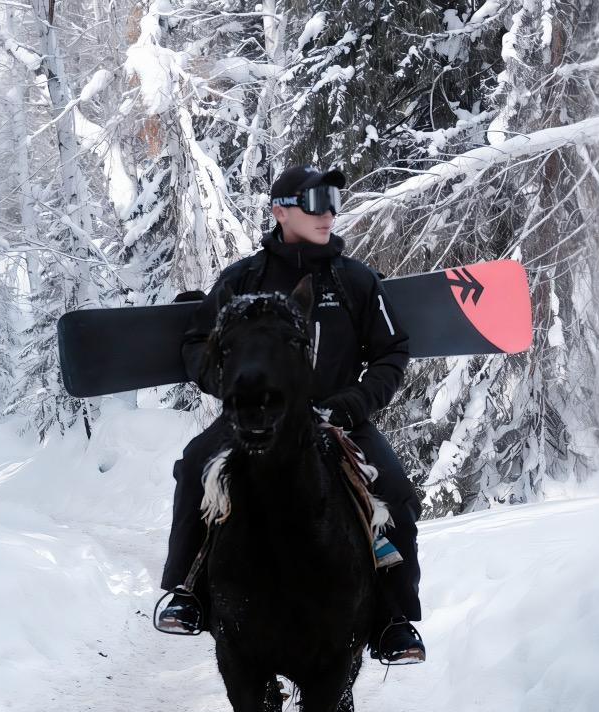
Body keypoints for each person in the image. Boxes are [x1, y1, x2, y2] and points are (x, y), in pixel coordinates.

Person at [156, 165, 425, 665]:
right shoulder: (244, 280)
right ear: (280, 212)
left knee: (395, 491)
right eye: (316, 203)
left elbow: (392, 351)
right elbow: (198, 343)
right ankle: (188, 591)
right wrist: (233, 390)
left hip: (339, 420)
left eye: (334, 203)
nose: (328, 214)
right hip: (253, 419)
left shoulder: (356, 281)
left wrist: (352, 404)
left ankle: (394, 617)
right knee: (195, 466)